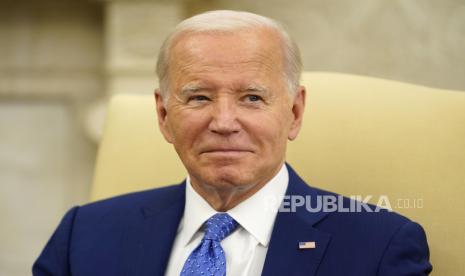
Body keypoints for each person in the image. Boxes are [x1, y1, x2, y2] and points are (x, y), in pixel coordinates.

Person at [33, 10, 432, 276]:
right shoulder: (83, 236)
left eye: (252, 98)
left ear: (294, 112)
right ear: (163, 115)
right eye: (199, 98)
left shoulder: (380, 247)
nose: (224, 123)